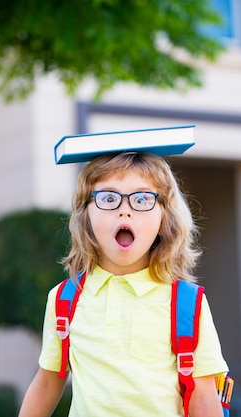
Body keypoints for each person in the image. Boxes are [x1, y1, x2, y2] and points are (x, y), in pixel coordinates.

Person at [19, 152, 228, 416]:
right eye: (108, 198)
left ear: (164, 217)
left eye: (142, 199)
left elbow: (204, 397)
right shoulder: (65, 299)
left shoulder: (186, 303)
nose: (124, 210)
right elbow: (47, 383)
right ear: (86, 215)